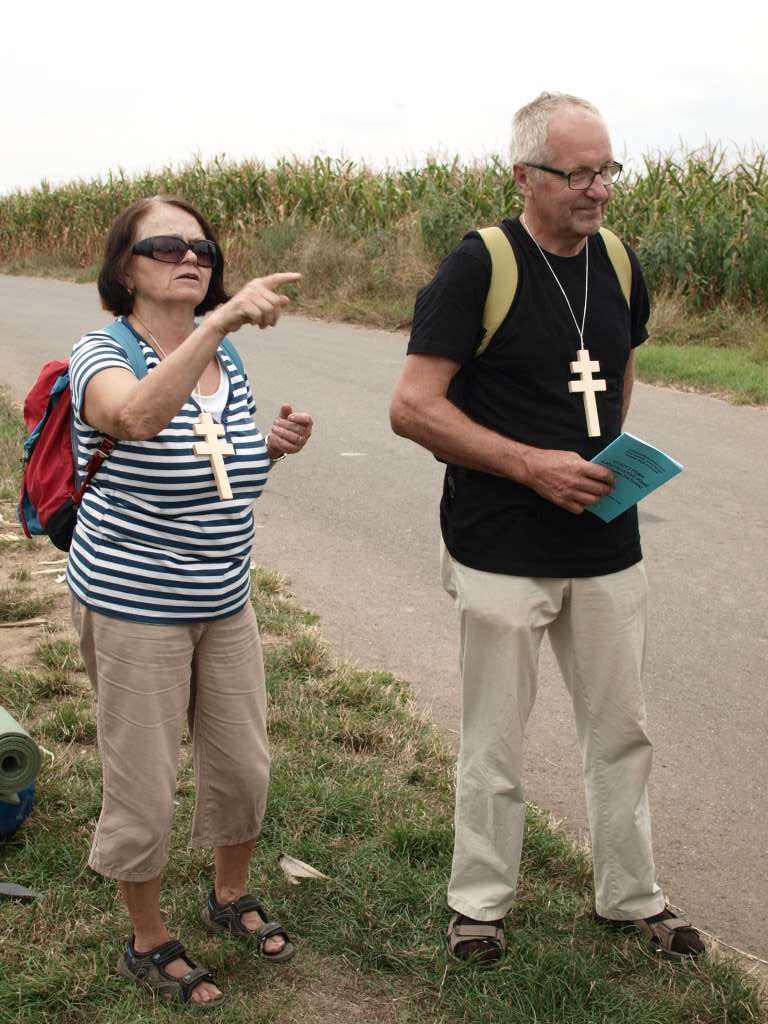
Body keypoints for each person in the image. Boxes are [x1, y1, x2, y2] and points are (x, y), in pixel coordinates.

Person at [389, 93, 704, 965]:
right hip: (499, 545)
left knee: (623, 729)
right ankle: (479, 907)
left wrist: (604, 458)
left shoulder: (618, 259)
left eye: (607, 169)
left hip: (606, 539)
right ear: (525, 176)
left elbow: (618, 366)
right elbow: (413, 408)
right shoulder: (477, 267)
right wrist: (533, 465)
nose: (598, 189)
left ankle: (631, 897)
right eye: (578, 173)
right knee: (494, 735)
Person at [67, 195, 313, 1007]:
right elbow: (134, 418)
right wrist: (217, 323)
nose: (192, 255)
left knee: (243, 762)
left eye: (203, 245)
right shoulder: (99, 353)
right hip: (135, 605)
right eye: (167, 244)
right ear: (125, 268)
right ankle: (147, 936)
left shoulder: (227, 363)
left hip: (224, 596)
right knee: (142, 778)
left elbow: (223, 475)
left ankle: (228, 891)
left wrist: (268, 449)